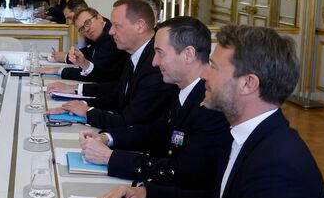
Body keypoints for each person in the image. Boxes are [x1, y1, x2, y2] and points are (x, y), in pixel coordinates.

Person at [85, 25, 324, 198]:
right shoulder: (250, 136)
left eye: (213, 67)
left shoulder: (279, 167)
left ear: (248, 84)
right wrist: (146, 193)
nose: (205, 74)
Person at [79, 16, 230, 189]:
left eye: (160, 53)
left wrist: (110, 158)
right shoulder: (183, 90)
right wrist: (108, 138)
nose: (154, 62)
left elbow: (181, 172)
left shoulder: (211, 106)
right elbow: (156, 132)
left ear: (188, 55)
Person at [48, 0, 176, 130]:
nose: (110, 31)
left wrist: (88, 111)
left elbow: (129, 122)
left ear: (140, 26)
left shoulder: (155, 64)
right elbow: (118, 96)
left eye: (117, 26)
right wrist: (81, 104)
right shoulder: (136, 54)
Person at [36, 7, 127, 83]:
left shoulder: (109, 36)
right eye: (82, 28)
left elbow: (93, 73)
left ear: (99, 18)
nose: (86, 29)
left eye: (87, 23)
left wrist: (57, 70)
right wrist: (81, 35)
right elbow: (86, 57)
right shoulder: (98, 32)